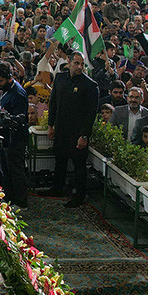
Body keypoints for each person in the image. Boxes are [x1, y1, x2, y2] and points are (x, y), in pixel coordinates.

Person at [46, 51, 100, 207]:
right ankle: (57, 189)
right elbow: (53, 102)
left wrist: (84, 135)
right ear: (69, 62)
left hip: (78, 132)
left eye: (82, 64)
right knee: (60, 160)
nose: (80, 67)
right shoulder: (60, 78)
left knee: (79, 165)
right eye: (76, 63)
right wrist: (50, 125)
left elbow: (91, 114)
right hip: (61, 128)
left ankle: (78, 196)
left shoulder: (90, 85)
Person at [0, 62, 30, 207]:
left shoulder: (17, 94)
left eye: (0, 81)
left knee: (16, 169)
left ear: (9, 78)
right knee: (6, 169)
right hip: (7, 137)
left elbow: (19, 119)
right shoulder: (7, 90)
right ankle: (10, 198)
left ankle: (21, 201)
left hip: (16, 138)